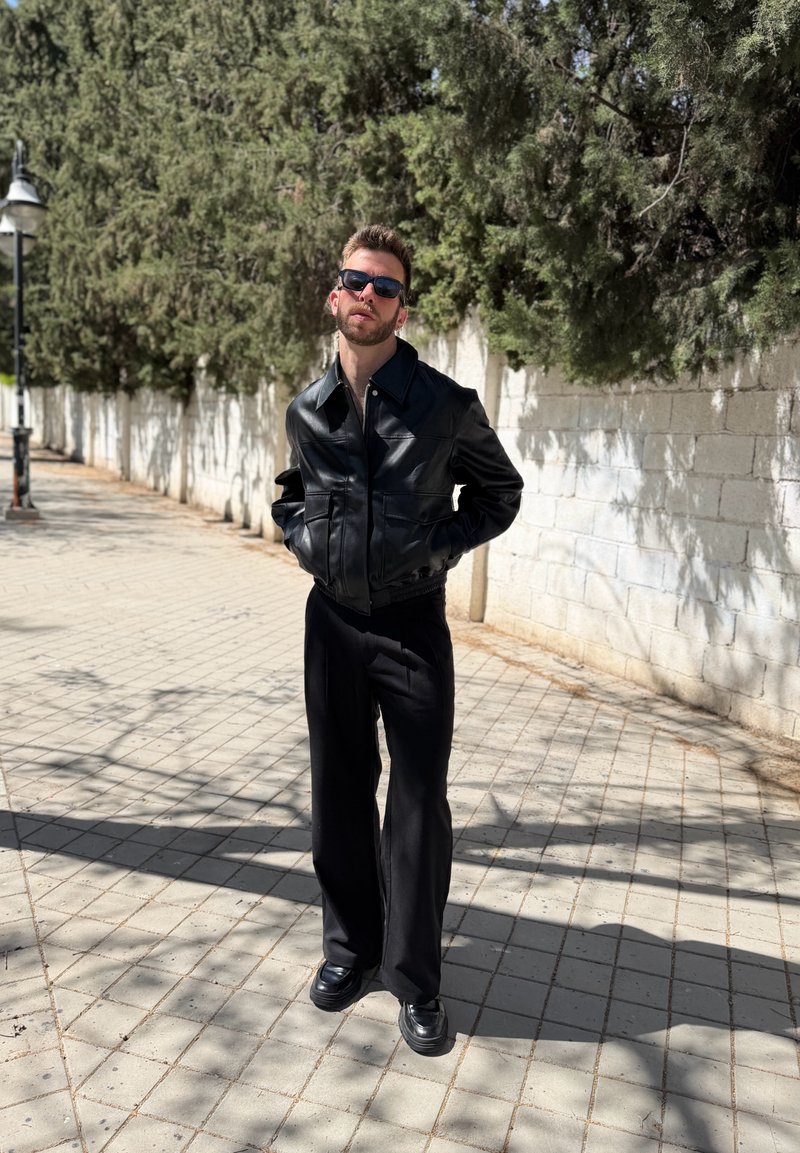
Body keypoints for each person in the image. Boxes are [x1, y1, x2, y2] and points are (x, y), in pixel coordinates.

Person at [271, 224, 523, 1055]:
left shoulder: (445, 405)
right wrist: (304, 541)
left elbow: (501, 491)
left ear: (402, 308)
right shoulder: (308, 409)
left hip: (414, 625)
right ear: (334, 295)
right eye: (356, 281)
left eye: (385, 286)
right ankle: (350, 952)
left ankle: (416, 981)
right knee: (338, 797)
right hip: (332, 623)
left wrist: (438, 547)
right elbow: (290, 496)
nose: (369, 296)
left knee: (416, 810)